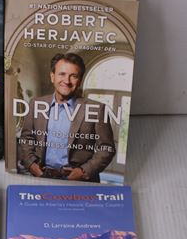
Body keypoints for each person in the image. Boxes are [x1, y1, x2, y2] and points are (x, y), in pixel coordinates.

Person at [18, 53, 115, 182]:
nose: (67, 81)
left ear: (80, 80)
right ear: (52, 76)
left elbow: (107, 149)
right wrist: (32, 165)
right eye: (62, 74)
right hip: (41, 175)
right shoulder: (35, 103)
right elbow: (26, 138)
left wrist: (83, 172)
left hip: (79, 181)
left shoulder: (97, 109)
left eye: (73, 76)